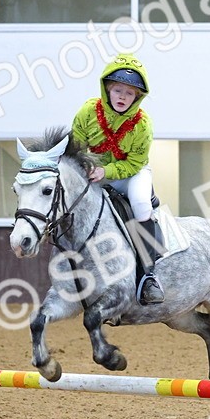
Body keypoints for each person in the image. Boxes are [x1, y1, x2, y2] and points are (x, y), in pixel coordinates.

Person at [72, 53, 164, 305]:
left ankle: (148, 276)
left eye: (130, 93)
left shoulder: (142, 125)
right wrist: (89, 167)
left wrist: (107, 172)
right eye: (118, 90)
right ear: (107, 89)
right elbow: (76, 148)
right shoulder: (87, 112)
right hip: (93, 170)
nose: (123, 96)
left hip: (131, 174)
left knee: (141, 205)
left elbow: (134, 162)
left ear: (137, 97)